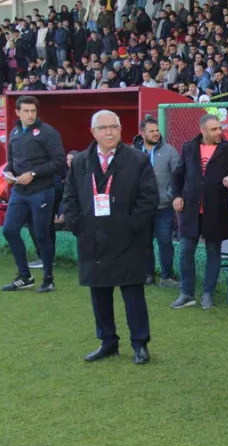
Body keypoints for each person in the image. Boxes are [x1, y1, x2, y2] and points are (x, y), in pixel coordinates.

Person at [62, 110, 158, 364]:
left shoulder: (138, 160)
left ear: (120, 129)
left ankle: (140, 343)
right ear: (93, 132)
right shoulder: (81, 161)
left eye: (113, 127)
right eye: (103, 128)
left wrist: (130, 225)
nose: (109, 132)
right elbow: (69, 196)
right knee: (99, 294)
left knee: (133, 294)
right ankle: (108, 341)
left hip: (127, 239)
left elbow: (149, 198)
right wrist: (76, 225)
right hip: (92, 238)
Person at [170, 114, 228, 309]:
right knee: (185, 250)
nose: (219, 132)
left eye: (220, 128)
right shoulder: (188, 147)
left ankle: (208, 294)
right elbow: (178, 175)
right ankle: (186, 293)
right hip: (190, 210)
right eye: (214, 129)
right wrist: (176, 196)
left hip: (216, 209)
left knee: (213, 251)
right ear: (203, 130)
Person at [1, 96, 65, 293]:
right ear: (18, 112)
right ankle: (24, 276)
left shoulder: (48, 132)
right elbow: (12, 160)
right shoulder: (14, 132)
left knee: (41, 235)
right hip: (19, 192)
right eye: (26, 111)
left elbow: (59, 162)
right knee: (9, 230)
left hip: (42, 191)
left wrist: (34, 173)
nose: (30, 114)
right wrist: (9, 173)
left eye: (33, 111)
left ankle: (48, 278)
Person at [138, 117, 180, 287]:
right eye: (151, 131)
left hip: (164, 207)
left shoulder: (170, 151)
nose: (156, 134)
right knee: (144, 242)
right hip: (142, 207)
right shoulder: (133, 152)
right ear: (143, 134)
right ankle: (148, 274)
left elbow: (177, 176)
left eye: (157, 130)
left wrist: (169, 196)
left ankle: (166, 276)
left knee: (165, 241)